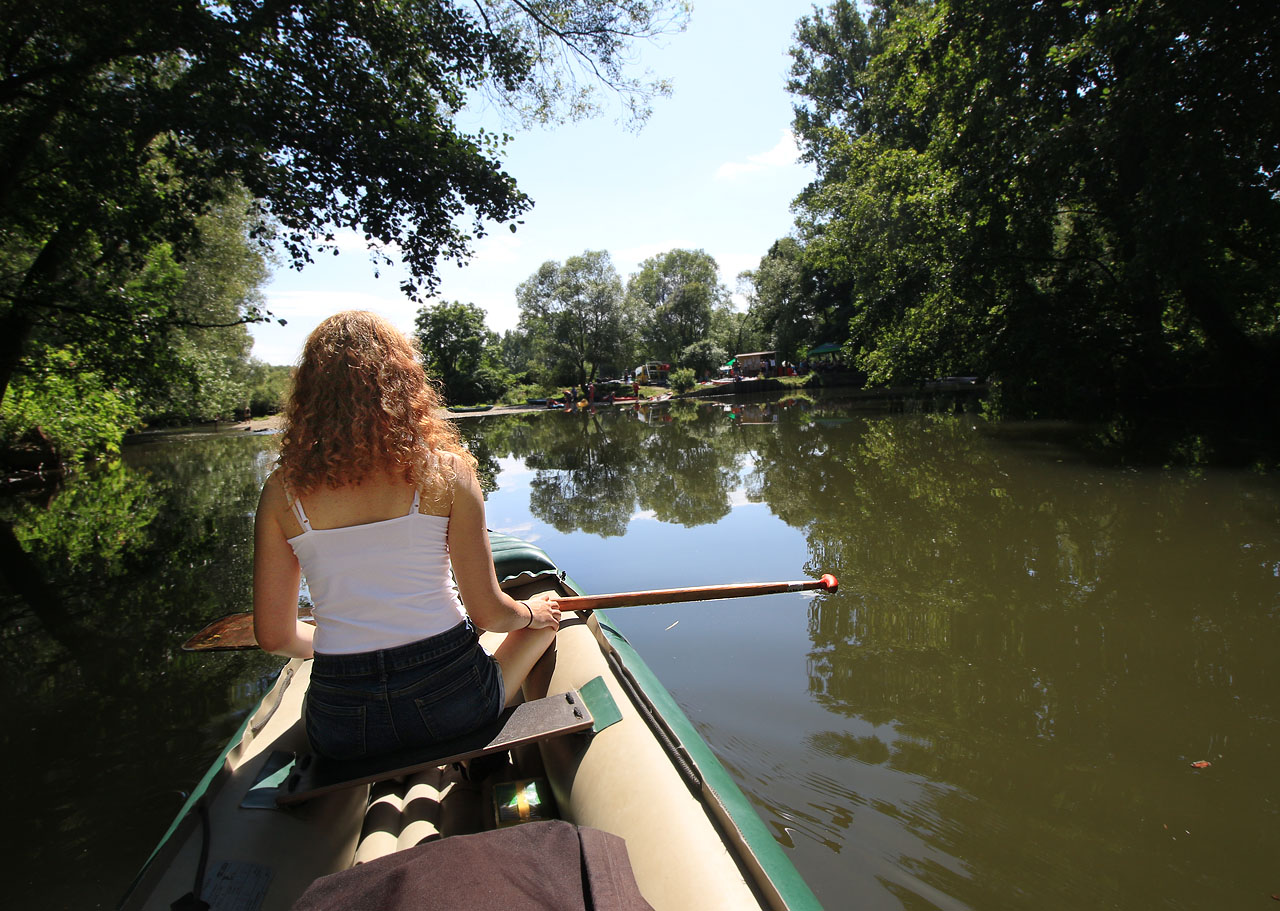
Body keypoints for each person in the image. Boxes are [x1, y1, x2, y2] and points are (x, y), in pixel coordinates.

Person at [253, 311, 561, 762]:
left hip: (342, 727)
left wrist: (343, 649)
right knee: (543, 626)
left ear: (308, 396)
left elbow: (274, 637)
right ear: (404, 383)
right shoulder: (447, 473)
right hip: (454, 701)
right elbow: (490, 614)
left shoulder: (281, 492)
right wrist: (533, 613)